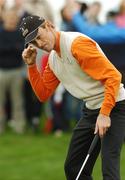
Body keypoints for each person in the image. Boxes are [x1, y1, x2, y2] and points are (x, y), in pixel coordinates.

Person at [20, 15, 125, 180]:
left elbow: (113, 76)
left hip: (115, 105)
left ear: (48, 26)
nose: (39, 44)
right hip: (91, 110)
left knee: (109, 170)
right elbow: (43, 94)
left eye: (39, 37)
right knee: (73, 167)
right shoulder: (54, 59)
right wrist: (32, 65)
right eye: (34, 43)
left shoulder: (76, 44)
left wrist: (104, 114)